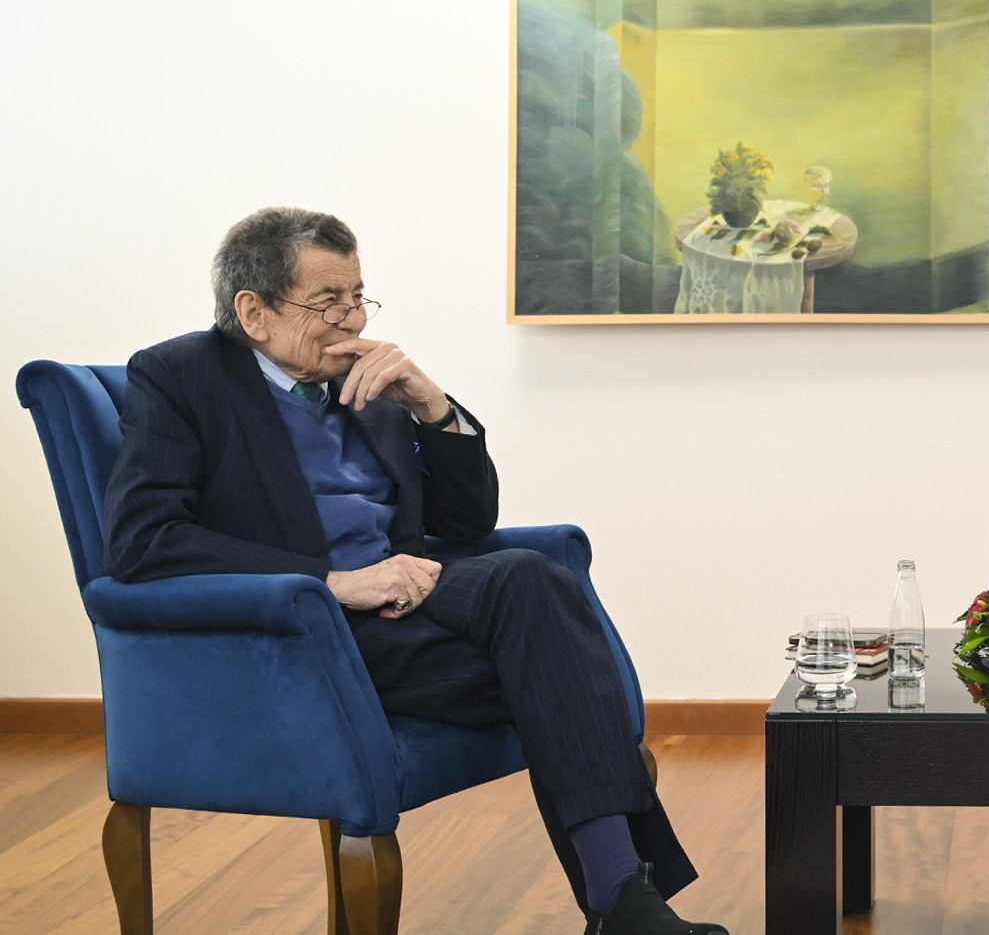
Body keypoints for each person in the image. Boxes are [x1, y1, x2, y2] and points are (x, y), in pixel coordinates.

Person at [103, 207, 727, 935]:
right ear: (254, 312)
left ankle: (620, 900)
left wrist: (434, 409)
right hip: (304, 624)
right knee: (564, 672)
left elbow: (468, 523)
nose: (352, 318)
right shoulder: (180, 375)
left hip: (411, 592)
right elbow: (145, 540)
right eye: (328, 301)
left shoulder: (366, 378)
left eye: (358, 295)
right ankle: (621, 898)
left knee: (530, 578)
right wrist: (333, 583)